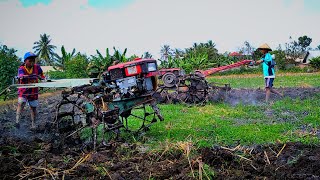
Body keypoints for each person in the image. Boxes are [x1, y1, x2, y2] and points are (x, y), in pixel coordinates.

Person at [16, 52, 45, 129]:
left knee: (33, 107)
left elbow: (42, 75)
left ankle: (33, 124)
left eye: (33, 60)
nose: (32, 62)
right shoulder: (21, 68)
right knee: (21, 103)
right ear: (25, 61)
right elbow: (21, 76)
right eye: (30, 60)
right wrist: (23, 77)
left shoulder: (37, 67)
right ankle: (17, 121)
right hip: (24, 91)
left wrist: (42, 78)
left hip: (33, 91)